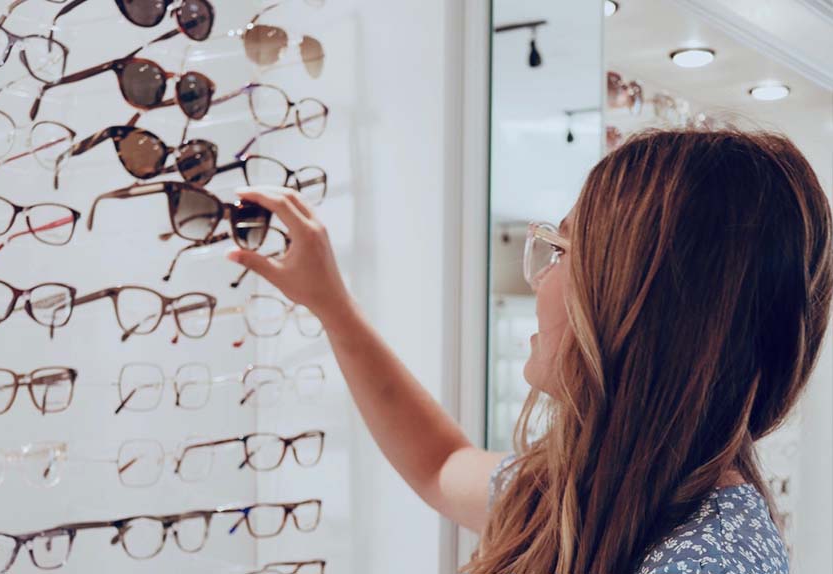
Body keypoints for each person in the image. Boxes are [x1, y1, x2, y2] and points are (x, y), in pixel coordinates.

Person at [227, 129, 833, 574]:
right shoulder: (594, 487)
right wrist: (331, 306)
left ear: (638, 305)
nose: (538, 280)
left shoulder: (709, 559)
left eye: (564, 252)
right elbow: (439, 465)